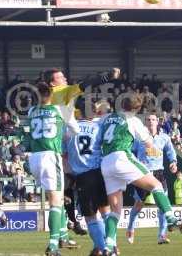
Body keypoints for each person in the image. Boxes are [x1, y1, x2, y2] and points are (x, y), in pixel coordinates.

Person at [98, 94, 180, 255]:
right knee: (156, 185)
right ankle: (171, 218)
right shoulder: (133, 121)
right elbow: (149, 144)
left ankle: (108, 245)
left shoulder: (107, 118)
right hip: (121, 157)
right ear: (137, 109)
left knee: (115, 211)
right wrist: (153, 150)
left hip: (105, 163)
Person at [27, 83, 78, 256]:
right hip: (51, 156)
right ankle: (53, 245)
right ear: (52, 94)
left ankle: (62, 235)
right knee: (55, 202)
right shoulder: (61, 109)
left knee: (55, 197)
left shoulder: (31, 111)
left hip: (34, 158)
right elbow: (75, 131)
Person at [65, 101, 111, 256]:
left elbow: (64, 156)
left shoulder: (69, 129)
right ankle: (109, 245)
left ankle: (104, 248)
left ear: (79, 112)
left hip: (82, 176)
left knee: (90, 217)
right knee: (106, 212)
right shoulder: (99, 128)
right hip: (99, 173)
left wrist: (70, 174)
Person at [126, 112, 178, 245]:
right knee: (139, 204)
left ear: (157, 121)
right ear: (145, 122)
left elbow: (170, 152)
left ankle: (162, 235)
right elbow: (130, 152)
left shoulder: (164, 138)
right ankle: (131, 228)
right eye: (148, 119)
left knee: (162, 205)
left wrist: (173, 162)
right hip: (143, 173)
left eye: (153, 119)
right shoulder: (138, 139)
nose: (150, 122)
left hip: (159, 173)